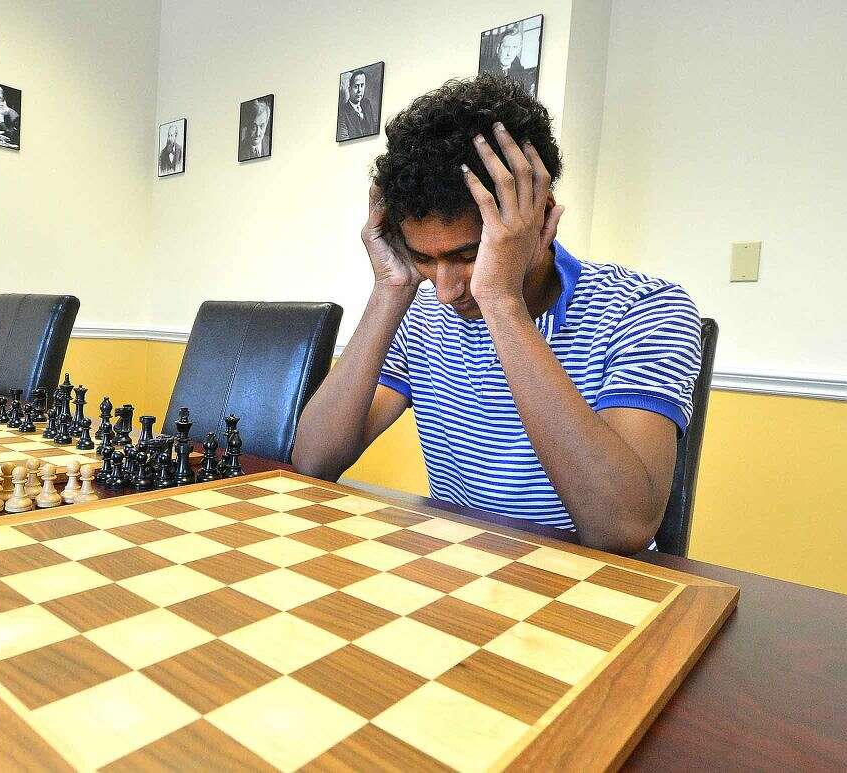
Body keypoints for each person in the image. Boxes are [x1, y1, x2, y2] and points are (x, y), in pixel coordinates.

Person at [292, 75, 702, 555]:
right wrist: (391, 288)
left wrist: (501, 301)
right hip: (459, 577)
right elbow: (313, 462)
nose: (445, 291)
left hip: (592, 595)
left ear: (540, 215)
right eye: (426, 258)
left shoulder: (647, 309)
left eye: (467, 255)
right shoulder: (420, 311)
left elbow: (620, 527)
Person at [486, 26, 537, 97]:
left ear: (518, 50)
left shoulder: (525, 77)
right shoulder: (486, 70)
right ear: (498, 48)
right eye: (506, 47)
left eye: (514, 47)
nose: (509, 53)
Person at [337, 69, 379, 141]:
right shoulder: (343, 112)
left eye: (362, 85)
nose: (360, 90)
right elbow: (343, 138)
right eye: (356, 86)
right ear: (349, 89)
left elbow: (374, 127)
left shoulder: (366, 104)